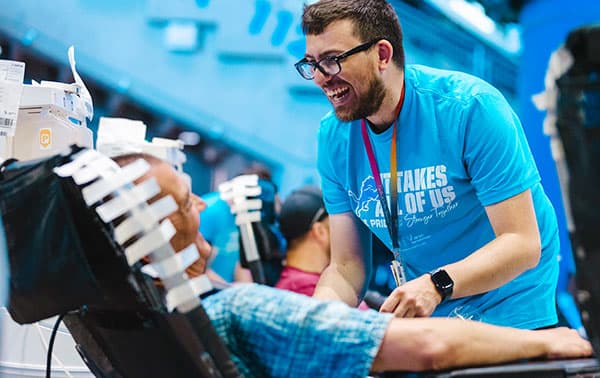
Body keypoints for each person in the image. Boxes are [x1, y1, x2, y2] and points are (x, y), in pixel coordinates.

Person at [114, 153, 591, 377]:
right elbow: (427, 346)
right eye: (182, 200)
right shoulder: (241, 309)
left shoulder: (140, 320)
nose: (200, 202)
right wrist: (542, 340)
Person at [297, 0, 561, 328]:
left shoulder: (470, 109)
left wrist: (436, 285)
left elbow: (522, 243)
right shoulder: (334, 137)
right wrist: (318, 320)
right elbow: (347, 267)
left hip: (511, 309)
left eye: (332, 61)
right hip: (433, 316)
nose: (321, 78)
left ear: (382, 54)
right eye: (312, 63)